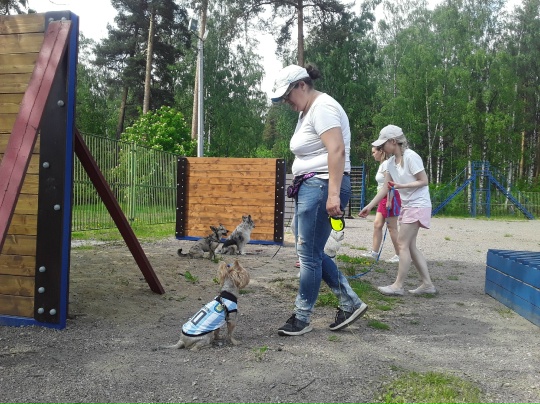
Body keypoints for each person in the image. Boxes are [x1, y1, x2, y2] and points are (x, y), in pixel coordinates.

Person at [270, 64, 368, 336]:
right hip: (313, 186)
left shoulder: (323, 107)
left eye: (287, 95)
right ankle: (350, 302)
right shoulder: (308, 111)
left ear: (302, 85)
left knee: (308, 255)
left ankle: (302, 317)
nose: (287, 102)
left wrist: (333, 194)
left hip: (323, 185)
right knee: (310, 251)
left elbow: (336, 150)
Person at [359, 125, 436, 296]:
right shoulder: (390, 163)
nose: (381, 148)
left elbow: (424, 181)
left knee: (402, 243)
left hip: (419, 204)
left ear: (393, 141)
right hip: (408, 206)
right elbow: (386, 187)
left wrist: (401, 186)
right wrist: (370, 206)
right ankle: (427, 284)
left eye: (383, 144)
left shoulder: (411, 157)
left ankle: (398, 286)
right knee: (410, 246)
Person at [361, 146, 401, 263]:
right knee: (377, 224)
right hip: (382, 197)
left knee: (392, 227)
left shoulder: (387, 164)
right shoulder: (382, 164)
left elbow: (391, 183)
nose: (373, 154)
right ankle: (374, 252)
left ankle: (400, 254)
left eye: (374, 152)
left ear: (381, 151)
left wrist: (389, 199)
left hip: (389, 197)